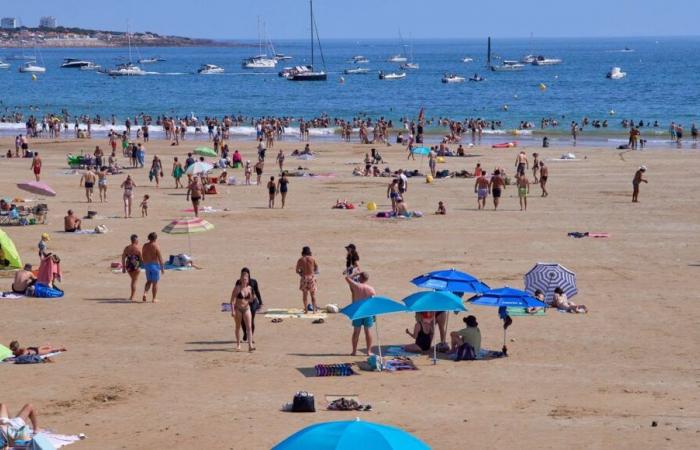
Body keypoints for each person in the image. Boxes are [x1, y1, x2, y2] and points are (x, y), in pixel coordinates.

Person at [345, 272, 376, 356]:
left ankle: (354, 351)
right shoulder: (371, 289)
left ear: (360, 278)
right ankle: (369, 351)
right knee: (368, 332)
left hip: (358, 311)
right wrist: (374, 315)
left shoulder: (356, 286)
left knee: (356, 332)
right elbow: (373, 303)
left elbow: (347, 278)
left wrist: (356, 273)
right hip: (367, 312)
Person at [230, 270, 256, 352]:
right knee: (238, 327)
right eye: (243, 279)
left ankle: (250, 345)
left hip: (246, 308)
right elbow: (232, 301)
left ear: (248, 280)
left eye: (246, 279)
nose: (245, 280)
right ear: (241, 279)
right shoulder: (237, 288)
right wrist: (233, 311)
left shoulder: (249, 288)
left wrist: (253, 298)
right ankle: (238, 344)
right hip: (238, 309)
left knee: (249, 327)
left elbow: (251, 300)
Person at [236, 268, 262, 343]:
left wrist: (260, 302)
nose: (244, 276)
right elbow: (236, 293)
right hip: (243, 303)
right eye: (243, 274)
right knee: (242, 321)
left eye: (246, 274)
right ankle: (245, 333)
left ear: (249, 275)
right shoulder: (238, 282)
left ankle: (251, 336)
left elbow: (257, 292)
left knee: (251, 320)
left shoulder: (253, 282)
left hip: (252, 303)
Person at [141, 232, 164, 303]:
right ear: (155, 238)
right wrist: (162, 268)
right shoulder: (156, 246)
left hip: (147, 265)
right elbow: (160, 258)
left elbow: (143, 255)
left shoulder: (145, 245)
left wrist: (145, 264)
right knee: (155, 283)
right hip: (154, 266)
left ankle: (145, 293)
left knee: (148, 281)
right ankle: (154, 298)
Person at [296, 246, 318, 313]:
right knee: (313, 295)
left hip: (304, 277)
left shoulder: (300, 260)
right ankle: (314, 310)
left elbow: (297, 270)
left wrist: (301, 273)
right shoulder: (312, 259)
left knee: (305, 294)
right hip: (311, 277)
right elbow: (317, 268)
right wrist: (313, 272)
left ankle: (306, 310)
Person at [121, 234, 142, 301]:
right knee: (134, 281)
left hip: (129, 266)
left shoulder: (127, 248)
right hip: (136, 265)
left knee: (133, 280)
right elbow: (142, 259)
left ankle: (132, 296)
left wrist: (124, 268)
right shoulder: (138, 248)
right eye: (137, 240)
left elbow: (123, 258)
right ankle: (132, 296)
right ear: (136, 240)